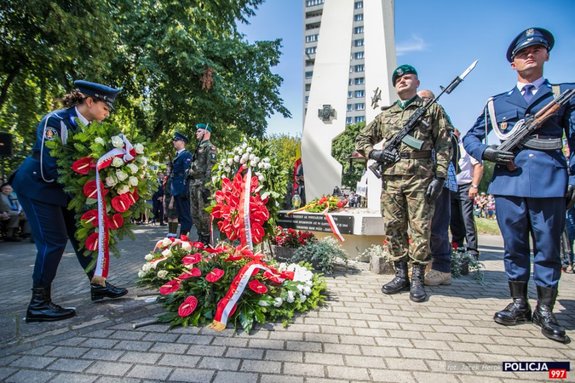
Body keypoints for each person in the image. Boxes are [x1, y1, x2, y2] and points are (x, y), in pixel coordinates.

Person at [463, 27, 575, 343]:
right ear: (513, 63)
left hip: (549, 182)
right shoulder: (497, 103)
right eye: (522, 52)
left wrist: (574, 177)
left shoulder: (562, 94)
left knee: (548, 248)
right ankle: (518, 303)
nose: (530, 54)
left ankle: (546, 309)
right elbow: (471, 136)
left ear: (546, 55)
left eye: (537, 49)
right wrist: (486, 152)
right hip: (508, 184)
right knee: (513, 248)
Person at [11, 80, 128, 323]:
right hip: (38, 187)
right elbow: (49, 166)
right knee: (53, 242)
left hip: (63, 192)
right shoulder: (56, 121)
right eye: (105, 106)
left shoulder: (92, 128)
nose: (107, 112)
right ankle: (38, 304)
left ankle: (98, 285)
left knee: (84, 236)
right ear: (89, 101)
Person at [356, 65, 452, 302]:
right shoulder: (386, 115)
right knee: (394, 227)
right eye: (398, 78)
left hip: (420, 178)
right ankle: (401, 275)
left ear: (417, 82)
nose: (402, 80)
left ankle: (417, 277)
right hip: (391, 180)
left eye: (408, 77)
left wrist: (440, 177)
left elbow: (443, 144)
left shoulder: (432, 109)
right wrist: (375, 154)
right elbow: (361, 140)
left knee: (420, 228)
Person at [415, 90, 458, 287]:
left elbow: (446, 146)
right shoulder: (414, 119)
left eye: (426, 99)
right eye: (419, 99)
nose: (422, 103)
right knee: (420, 225)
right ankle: (424, 264)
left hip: (439, 179)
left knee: (438, 227)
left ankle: (442, 269)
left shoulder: (439, 116)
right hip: (419, 179)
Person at [450, 128, 483, 259]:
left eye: (454, 133)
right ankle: (457, 246)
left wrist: (474, 186)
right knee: (453, 219)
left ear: (458, 134)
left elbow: (478, 166)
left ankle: (472, 250)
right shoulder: (448, 147)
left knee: (466, 218)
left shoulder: (466, 148)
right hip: (451, 187)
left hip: (465, 186)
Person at [188, 123, 217, 245]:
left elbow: (211, 168)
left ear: (206, 132)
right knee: (194, 213)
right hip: (194, 183)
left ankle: (206, 240)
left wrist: (207, 187)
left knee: (203, 213)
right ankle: (200, 236)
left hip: (202, 185)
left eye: (199, 131)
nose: (196, 133)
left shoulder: (210, 148)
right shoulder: (199, 147)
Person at [169, 132, 193, 237]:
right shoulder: (178, 155)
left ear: (182, 142)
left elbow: (187, 173)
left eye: (176, 140)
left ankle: (184, 237)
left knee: (185, 216)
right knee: (181, 215)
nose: (174, 142)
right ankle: (182, 237)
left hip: (182, 189)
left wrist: (185, 189)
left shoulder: (186, 155)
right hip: (177, 189)